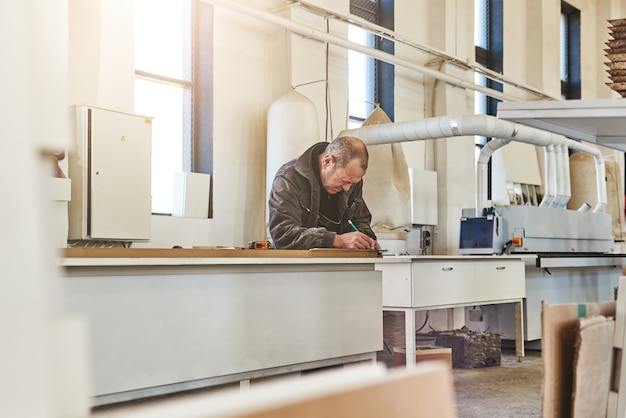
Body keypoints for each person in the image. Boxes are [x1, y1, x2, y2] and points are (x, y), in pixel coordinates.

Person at [268, 136, 381, 250]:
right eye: (344, 181)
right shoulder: (289, 179)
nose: (347, 188)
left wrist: (365, 240)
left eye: (353, 183)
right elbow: (283, 235)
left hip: (337, 264)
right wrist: (335, 240)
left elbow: (361, 221)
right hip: (295, 265)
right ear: (327, 161)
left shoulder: (351, 180)